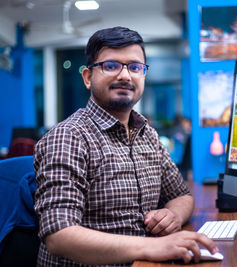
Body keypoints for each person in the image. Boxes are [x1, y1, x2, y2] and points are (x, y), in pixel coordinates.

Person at [33, 26, 217, 266]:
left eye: (135, 67)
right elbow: (59, 235)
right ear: (88, 77)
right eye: (111, 66)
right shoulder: (68, 137)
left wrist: (172, 215)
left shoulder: (147, 134)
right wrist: (154, 246)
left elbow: (181, 196)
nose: (125, 76)